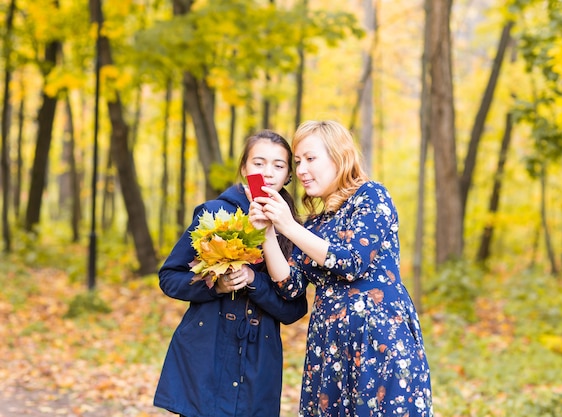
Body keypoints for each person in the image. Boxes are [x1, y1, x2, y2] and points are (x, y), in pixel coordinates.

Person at [248, 120, 433, 417]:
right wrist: (268, 233)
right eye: (297, 162)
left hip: (377, 341)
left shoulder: (370, 196)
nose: (302, 170)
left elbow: (351, 262)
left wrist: (289, 226)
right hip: (329, 348)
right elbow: (290, 285)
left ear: (339, 155)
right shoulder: (315, 224)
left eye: (310, 158)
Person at [154, 130, 308, 417]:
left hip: (258, 359)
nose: (267, 173)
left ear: (288, 174)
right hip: (206, 352)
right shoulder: (214, 214)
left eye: (278, 165)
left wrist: (254, 281)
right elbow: (169, 277)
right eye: (258, 163)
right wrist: (216, 286)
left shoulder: (294, 228)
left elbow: (294, 309)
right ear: (244, 168)